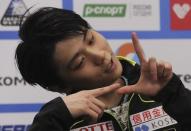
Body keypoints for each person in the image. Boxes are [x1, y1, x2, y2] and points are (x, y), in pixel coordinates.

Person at [15, 7, 189, 131]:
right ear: (58, 86)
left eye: (91, 39)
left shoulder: (162, 88)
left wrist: (171, 95)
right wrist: (52, 119)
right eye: (80, 62)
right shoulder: (59, 122)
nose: (100, 55)